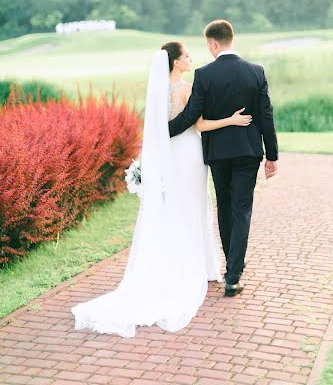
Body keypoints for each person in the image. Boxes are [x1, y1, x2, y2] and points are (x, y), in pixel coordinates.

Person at [71, 41, 251, 337]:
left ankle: (185, 262)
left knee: (175, 207)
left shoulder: (156, 91)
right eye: (188, 55)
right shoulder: (186, 89)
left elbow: (159, 130)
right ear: (177, 63)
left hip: (169, 157)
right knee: (195, 206)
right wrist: (231, 120)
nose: (192, 58)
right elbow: (198, 125)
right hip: (190, 155)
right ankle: (202, 267)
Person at [169, 19, 278, 297]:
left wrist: (162, 132)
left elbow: (190, 116)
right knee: (242, 209)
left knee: (225, 206)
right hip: (248, 152)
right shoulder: (256, 72)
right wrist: (272, 155)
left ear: (213, 44)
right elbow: (266, 116)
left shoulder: (205, 75)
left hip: (218, 154)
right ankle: (233, 274)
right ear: (232, 38)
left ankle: (233, 264)